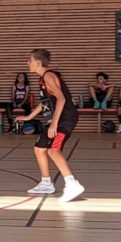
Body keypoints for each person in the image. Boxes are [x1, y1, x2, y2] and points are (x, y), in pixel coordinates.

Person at [14, 49, 85, 204]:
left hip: (65, 118)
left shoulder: (49, 76)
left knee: (53, 150)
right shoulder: (42, 79)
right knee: (39, 148)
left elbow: (61, 99)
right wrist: (29, 117)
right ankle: (46, 183)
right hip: (56, 118)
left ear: (38, 62)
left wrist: (54, 123)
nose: (27, 63)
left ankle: (72, 184)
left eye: (30, 60)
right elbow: (45, 103)